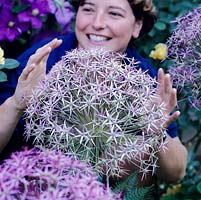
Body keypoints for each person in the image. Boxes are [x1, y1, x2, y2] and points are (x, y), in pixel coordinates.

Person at [0, 0, 187, 188]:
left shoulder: (144, 80)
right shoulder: (45, 58)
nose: (97, 23)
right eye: (88, 9)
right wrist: (17, 103)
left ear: (137, 25)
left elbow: (176, 172)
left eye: (114, 13)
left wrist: (155, 132)